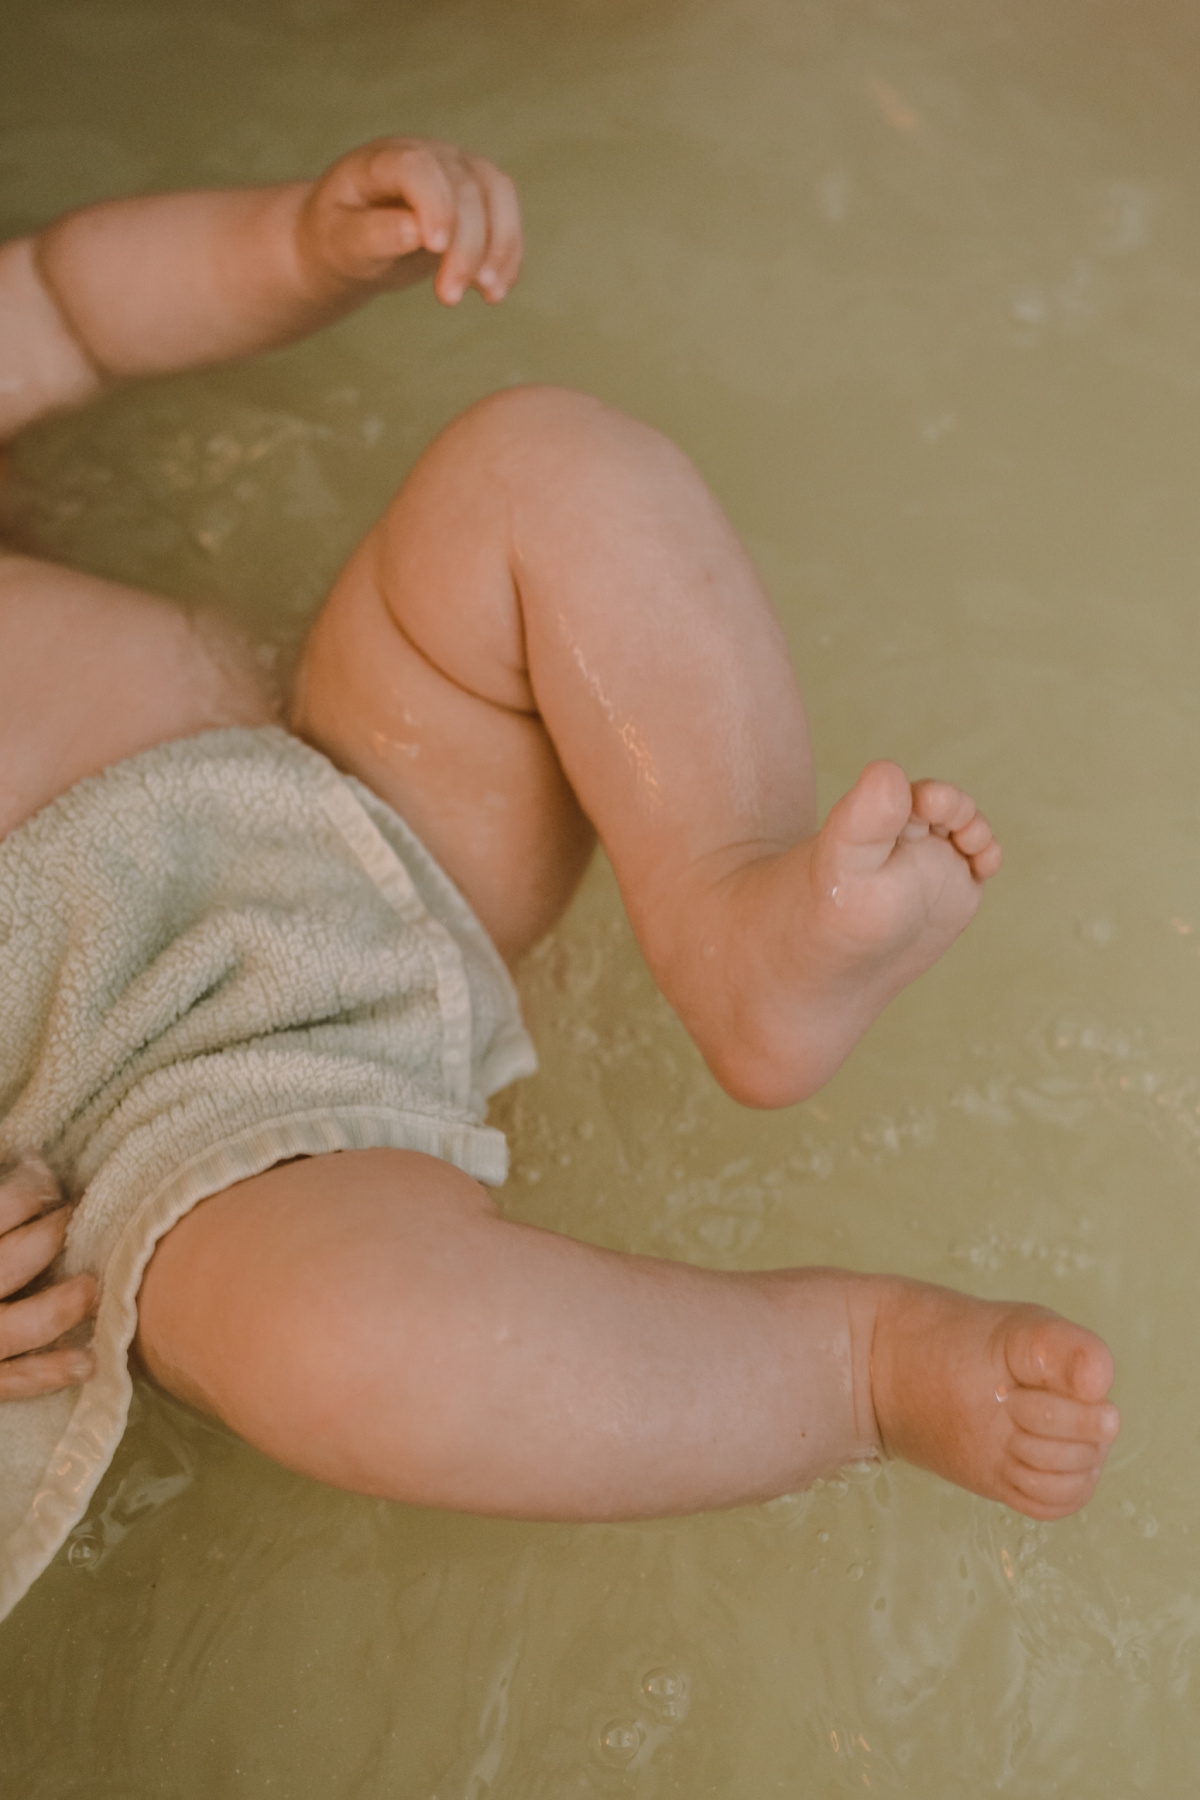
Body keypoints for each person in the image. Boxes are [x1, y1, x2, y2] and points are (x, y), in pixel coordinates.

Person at [0, 138, 1118, 1616]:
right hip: (173, 1125)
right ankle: (852, 1372)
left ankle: (738, 913)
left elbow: (66, 309)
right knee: (340, 1342)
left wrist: (296, 245)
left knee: (535, 468)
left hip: (338, 785)